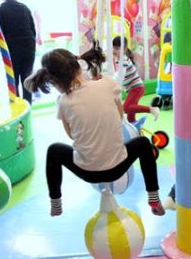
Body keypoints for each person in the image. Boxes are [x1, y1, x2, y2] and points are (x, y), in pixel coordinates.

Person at [24, 47, 165, 217]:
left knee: (54, 150)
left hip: (87, 172)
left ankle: (56, 203)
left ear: (54, 82)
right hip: (118, 167)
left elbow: (71, 135)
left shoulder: (63, 102)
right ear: (78, 67)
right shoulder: (107, 83)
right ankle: (154, 198)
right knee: (143, 143)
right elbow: (120, 117)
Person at [0, 0, 36, 104]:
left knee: (13, 78)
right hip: (28, 45)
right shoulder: (24, 7)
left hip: (12, 47)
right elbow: (32, 29)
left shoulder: (0, 10)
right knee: (27, 77)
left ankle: (17, 106)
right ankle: (28, 105)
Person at [112, 36, 159, 123]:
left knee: (125, 108)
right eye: (114, 48)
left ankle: (152, 109)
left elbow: (120, 74)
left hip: (136, 88)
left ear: (124, 49)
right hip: (132, 89)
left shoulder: (124, 60)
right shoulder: (118, 60)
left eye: (117, 48)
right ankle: (134, 127)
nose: (114, 50)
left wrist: (112, 81)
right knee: (131, 114)